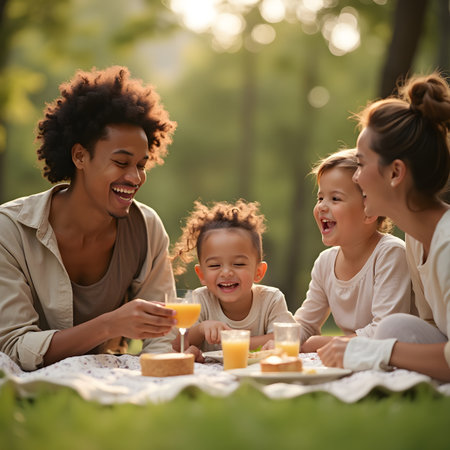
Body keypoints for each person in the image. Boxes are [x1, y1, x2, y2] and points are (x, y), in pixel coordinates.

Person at [0, 66, 179, 371]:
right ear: (80, 156)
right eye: (121, 162)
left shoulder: (146, 228)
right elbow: (14, 348)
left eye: (141, 165)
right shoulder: (10, 230)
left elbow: (164, 337)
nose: (135, 177)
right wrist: (109, 325)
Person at [317, 72, 450, 382]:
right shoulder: (418, 241)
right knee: (395, 328)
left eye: (361, 163)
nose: (355, 177)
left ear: (395, 173)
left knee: (389, 334)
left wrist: (369, 350)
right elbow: (433, 333)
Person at [292, 149, 413, 352]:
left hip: (398, 358)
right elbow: (305, 323)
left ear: (369, 211)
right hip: (357, 357)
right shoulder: (325, 263)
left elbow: (386, 332)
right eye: (320, 198)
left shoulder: (390, 254)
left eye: (335, 199)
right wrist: (282, 341)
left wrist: (318, 343)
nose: (321, 206)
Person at [170, 199, 295, 357]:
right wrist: (201, 330)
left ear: (259, 271)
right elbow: (177, 345)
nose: (226, 272)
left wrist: (235, 342)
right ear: (201, 275)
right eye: (215, 265)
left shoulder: (271, 299)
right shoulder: (199, 301)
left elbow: (288, 337)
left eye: (238, 264)